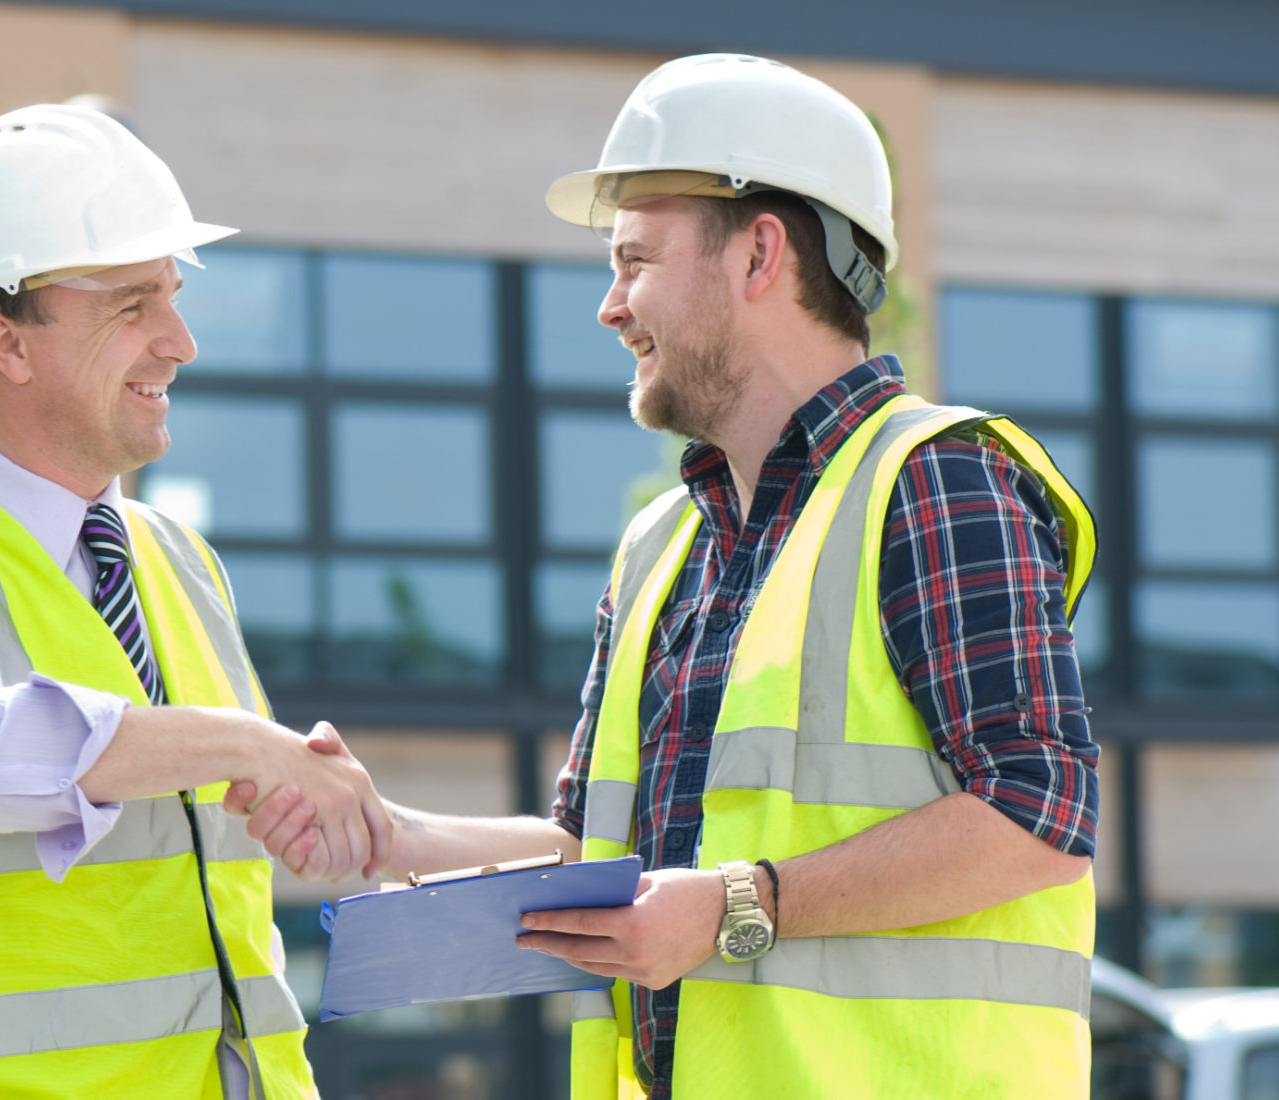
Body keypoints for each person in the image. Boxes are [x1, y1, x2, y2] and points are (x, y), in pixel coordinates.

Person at [232, 54, 1100, 1099]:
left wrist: (743, 901)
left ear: (760, 254)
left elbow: (1038, 809)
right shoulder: (662, 546)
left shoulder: (935, 479)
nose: (610, 306)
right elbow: (597, 848)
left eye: (635, 259)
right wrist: (392, 832)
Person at [0, 103, 388, 1100]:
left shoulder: (178, 557)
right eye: (131, 305)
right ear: (7, 344)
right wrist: (240, 742)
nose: (181, 341)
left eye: (174, 295)